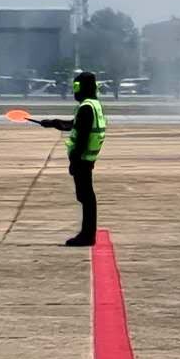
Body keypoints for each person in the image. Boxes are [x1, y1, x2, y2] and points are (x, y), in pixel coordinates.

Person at [38, 71, 106, 247]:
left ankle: (87, 235)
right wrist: (53, 122)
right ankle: (88, 233)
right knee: (86, 196)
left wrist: (74, 162)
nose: (74, 92)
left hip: (82, 158)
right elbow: (74, 124)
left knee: (85, 196)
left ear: (80, 88)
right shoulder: (93, 105)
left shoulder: (85, 107)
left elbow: (82, 137)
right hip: (89, 157)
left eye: (75, 87)